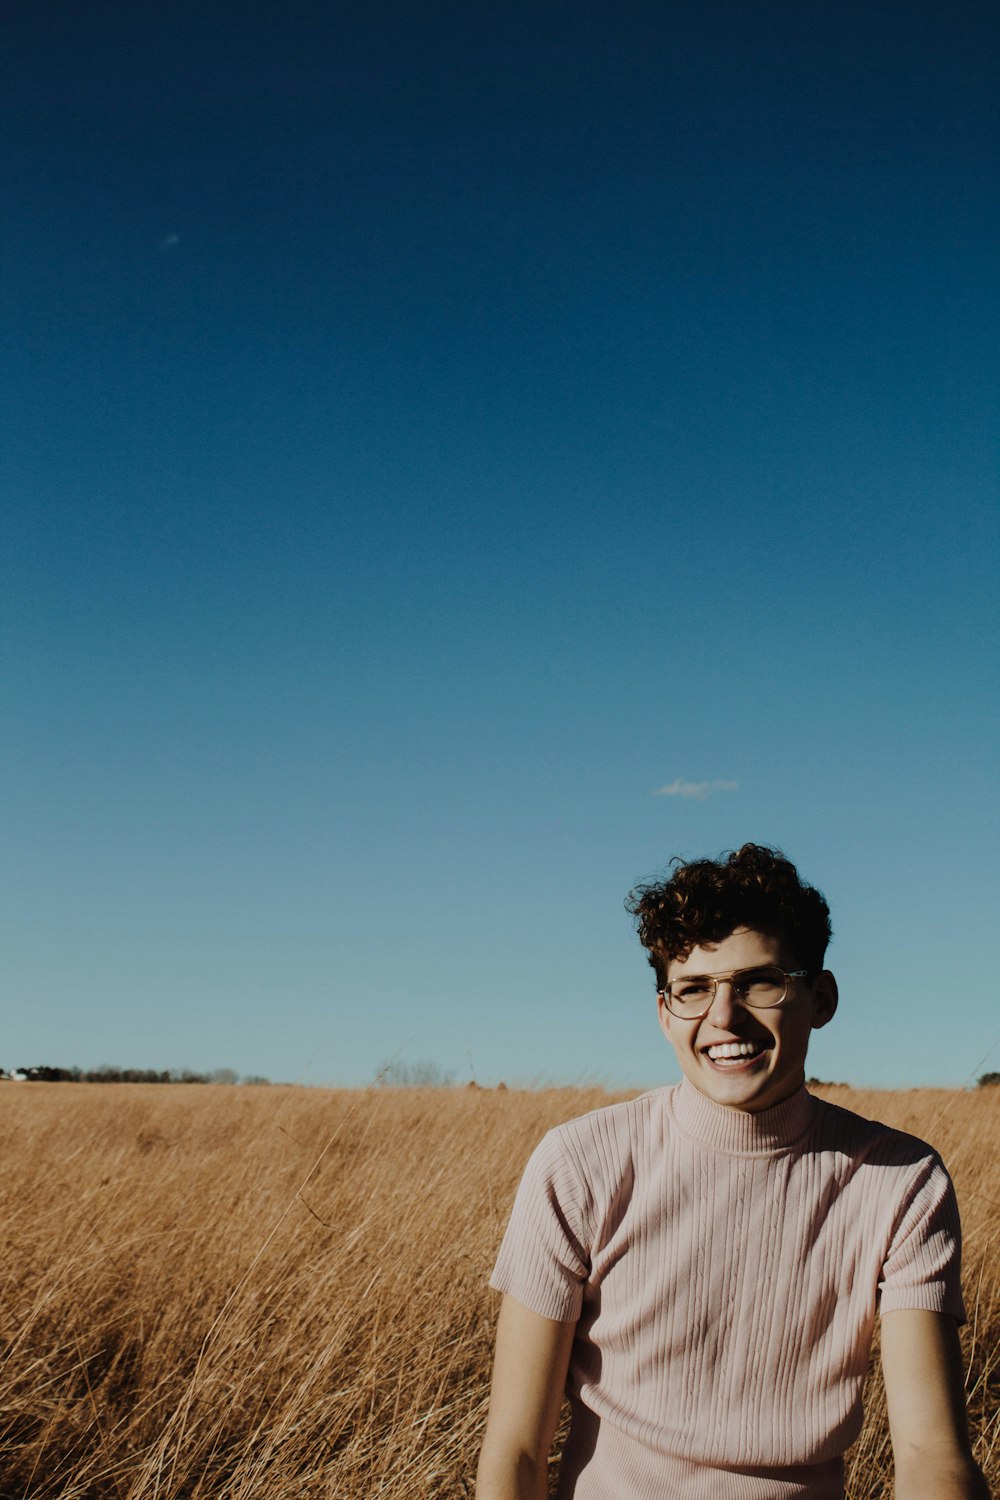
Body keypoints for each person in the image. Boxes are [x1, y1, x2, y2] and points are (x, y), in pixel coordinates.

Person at [476, 844, 989, 1499]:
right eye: (694, 989)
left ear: (821, 998)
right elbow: (516, 1450)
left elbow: (930, 1453)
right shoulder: (580, 1165)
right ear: (665, 1014)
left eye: (759, 982)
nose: (723, 1017)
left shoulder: (900, 1180)